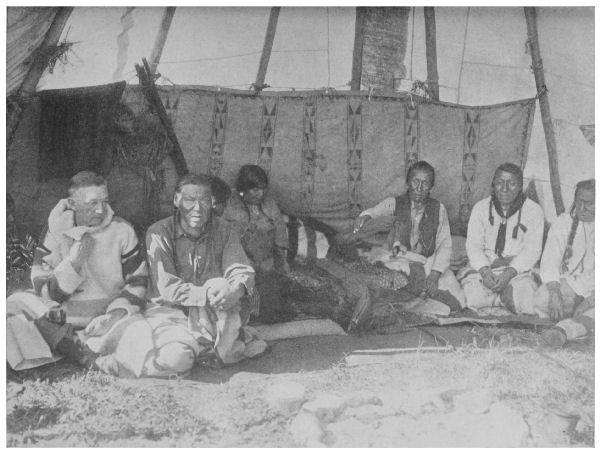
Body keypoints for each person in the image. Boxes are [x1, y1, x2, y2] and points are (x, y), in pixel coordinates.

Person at [7, 171, 148, 370]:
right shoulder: (55, 230)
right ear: (73, 204)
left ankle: (74, 350)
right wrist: (73, 264)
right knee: (14, 304)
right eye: (92, 203)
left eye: (105, 201)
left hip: (105, 319)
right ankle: (81, 353)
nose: (100, 210)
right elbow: (43, 290)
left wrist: (116, 313)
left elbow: (138, 281)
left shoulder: (122, 230)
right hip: (63, 320)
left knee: (142, 330)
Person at [145, 173, 269, 366]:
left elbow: (239, 267)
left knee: (222, 285)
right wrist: (208, 295)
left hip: (215, 310)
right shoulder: (159, 232)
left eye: (204, 200)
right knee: (177, 358)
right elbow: (167, 287)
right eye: (189, 200)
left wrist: (235, 291)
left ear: (212, 202)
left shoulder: (224, 229)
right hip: (172, 311)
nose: (197, 208)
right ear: (176, 200)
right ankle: (221, 348)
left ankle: (217, 351)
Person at [352, 160, 464, 310]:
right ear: (408, 183)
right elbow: (374, 212)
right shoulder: (394, 203)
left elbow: (444, 245)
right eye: (415, 181)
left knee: (457, 298)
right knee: (386, 288)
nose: (419, 188)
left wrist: (434, 275)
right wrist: (365, 217)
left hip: (427, 263)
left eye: (425, 183)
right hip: (399, 261)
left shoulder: (439, 209)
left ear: (431, 187)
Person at [459, 163, 544, 313]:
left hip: (517, 271)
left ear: (520, 186)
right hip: (486, 268)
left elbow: (532, 251)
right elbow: (474, 246)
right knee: (472, 297)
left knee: (526, 300)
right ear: (493, 185)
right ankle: (502, 299)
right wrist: (485, 272)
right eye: (499, 182)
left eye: (511, 183)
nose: (504, 189)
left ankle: (499, 298)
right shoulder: (481, 208)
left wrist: (508, 274)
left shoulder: (534, 211)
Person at [535, 179, 594, 347]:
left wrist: (590, 301)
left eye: (589, 203)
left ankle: (564, 330)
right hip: (572, 285)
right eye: (579, 202)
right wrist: (555, 293)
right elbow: (550, 261)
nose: (581, 208)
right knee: (542, 299)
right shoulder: (564, 222)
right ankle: (581, 320)